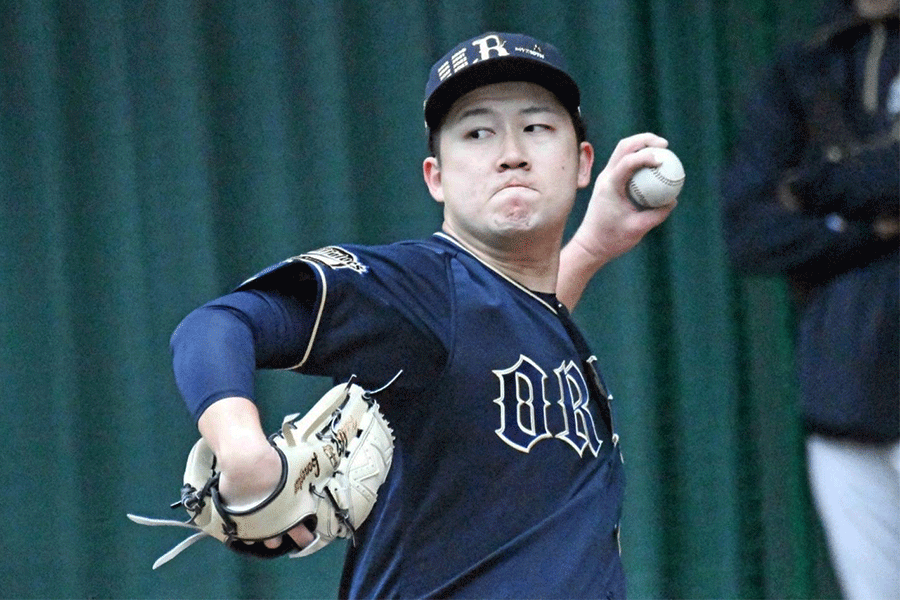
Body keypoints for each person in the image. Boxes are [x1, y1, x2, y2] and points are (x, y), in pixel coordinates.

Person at [171, 31, 674, 598]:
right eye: (478, 133)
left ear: (583, 163)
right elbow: (216, 325)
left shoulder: (526, 311)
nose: (511, 152)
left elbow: (509, 329)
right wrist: (242, 451)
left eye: (536, 127)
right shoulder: (425, 286)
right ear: (436, 176)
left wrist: (593, 245)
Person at [721, 2, 898, 598]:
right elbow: (748, 229)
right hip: (844, 396)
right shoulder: (805, 67)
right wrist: (873, 229)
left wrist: (818, 185)